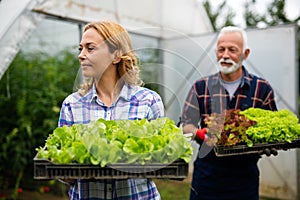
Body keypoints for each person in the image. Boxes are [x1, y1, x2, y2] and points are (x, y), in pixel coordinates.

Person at [58, 21, 164, 200]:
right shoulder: (72, 105)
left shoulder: (148, 101)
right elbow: (65, 174)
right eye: (80, 48)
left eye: (90, 48)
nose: (81, 55)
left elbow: (159, 163)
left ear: (116, 55)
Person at [180, 26, 277, 200]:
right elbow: (186, 125)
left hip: (244, 180)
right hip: (207, 177)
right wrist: (198, 133)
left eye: (232, 50)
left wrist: (268, 144)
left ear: (245, 54)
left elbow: (272, 131)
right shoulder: (201, 87)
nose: (225, 55)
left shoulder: (261, 89)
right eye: (221, 49)